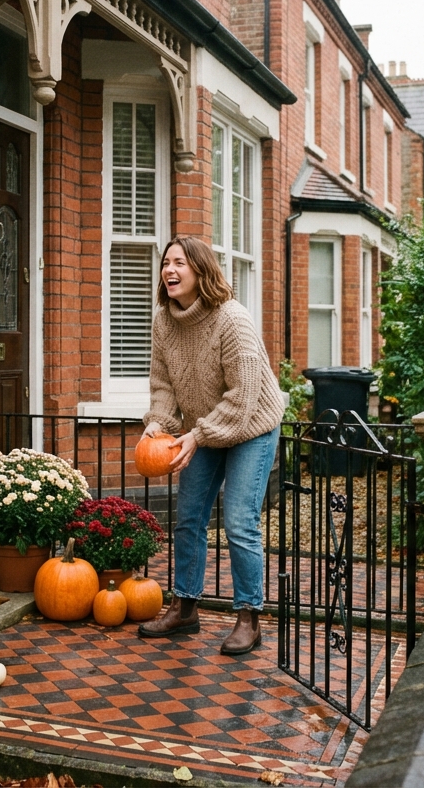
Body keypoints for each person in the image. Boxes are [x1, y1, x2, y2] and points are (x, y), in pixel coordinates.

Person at [137, 236, 284, 655]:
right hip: (203, 427)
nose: (170, 269)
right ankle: (185, 608)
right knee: (188, 520)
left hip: (251, 425)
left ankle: (248, 617)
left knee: (239, 521)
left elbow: (244, 395)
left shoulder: (232, 319)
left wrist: (196, 435)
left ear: (201, 270)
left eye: (180, 262)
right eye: (166, 262)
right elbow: (163, 384)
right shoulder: (164, 321)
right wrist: (159, 425)